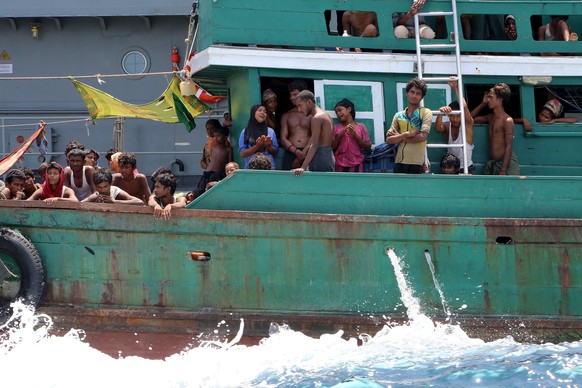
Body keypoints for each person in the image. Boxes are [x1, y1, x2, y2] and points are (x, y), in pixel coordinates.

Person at [471, 83, 520, 175]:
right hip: (493, 162)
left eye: (491, 97)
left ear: (500, 99)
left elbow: (509, 147)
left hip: (505, 163)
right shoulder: (490, 117)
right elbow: (470, 119)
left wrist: (503, 170)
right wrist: (483, 103)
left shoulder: (507, 120)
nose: (488, 100)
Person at [386, 77, 432, 174]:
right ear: (406, 93)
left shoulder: (425, 112)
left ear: (422, 97)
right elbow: (389, 140)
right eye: (412, 92)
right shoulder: (398, 115)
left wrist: (399, 136)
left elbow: (423, 137)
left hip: (418, 162)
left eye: (418, 93)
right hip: (399, 161)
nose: (414, 96)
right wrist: (404, 135)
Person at [435, 79, 475, 174]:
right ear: (448, 116)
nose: (455, 119)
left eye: (458, 116)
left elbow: (464, 107)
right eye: (452, 116)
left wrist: (455, 88)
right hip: (450, 169)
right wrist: (440, 112)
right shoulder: (447, 126)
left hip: (466, 168)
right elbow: (438, 128)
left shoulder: (467, 125)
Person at [293, 90, 335, 174]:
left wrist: (303, 167)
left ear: (309, 102)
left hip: (320, 157)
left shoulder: (317, 118)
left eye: (300, 105)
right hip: (328, 156)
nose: (299, 110)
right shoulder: (326, 115)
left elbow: (314, 144)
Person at [331, 98, 372, 172]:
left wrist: (355, 136)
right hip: (339, 165)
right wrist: (340, 136)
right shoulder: (336, 128)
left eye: (340, 110)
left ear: (349, 109)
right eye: (336, 112)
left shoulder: (361, 127)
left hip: (357, 164)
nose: (338, 114)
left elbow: (368, 147)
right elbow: (332, 148)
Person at [280, 80, 312, 170]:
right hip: (291, 152)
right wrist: (296, 152)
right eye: (290, 95)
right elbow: (283, 138)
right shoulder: (287, 115)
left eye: (295, 94)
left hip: (308, 152)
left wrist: (303, 153)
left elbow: (314, 136)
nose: (292, 98)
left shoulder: (312, 115)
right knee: (287, 180)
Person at [194, 125, 232, 195]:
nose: (216, 138)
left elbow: (229, 163)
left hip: (217, 174)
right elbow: (210, 160)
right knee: (200, 192)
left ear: (225, 137)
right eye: (214, 136)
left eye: (218, 136)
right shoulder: (212, 148)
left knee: (212, 192)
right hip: (207, 173)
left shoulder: (228, 149)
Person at [239, 104, 279, 169]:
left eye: (265, 111)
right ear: (253, 113)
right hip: (251, 169)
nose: (262, 113)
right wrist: (257, 146)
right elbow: (243, 154)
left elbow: (275, 152)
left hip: (268, 168)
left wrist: (269, 146)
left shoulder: (270, 131)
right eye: (259, 110)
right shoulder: (245, 132)